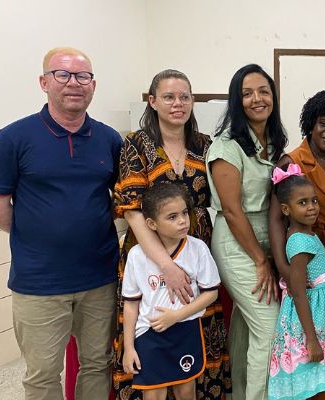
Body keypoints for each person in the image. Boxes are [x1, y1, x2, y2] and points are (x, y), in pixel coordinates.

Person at [0, 47, 122, 399]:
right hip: (39, 281)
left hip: (100, 278)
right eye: (62, 74)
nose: (73, 83)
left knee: (97, 364)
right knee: (43, 374)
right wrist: (36, 234)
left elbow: (122, 199)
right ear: (44, 82)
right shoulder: (13, 138)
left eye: (82, 76)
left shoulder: (109, 139)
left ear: (93, 84)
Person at [112, 69, 229, 398]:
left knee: (195, 326)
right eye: (168, 97)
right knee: (150, 325)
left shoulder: (205, 144)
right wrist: (167, 265)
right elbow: (132, 210)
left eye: (184, 97)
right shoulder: (136, 144)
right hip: (148, 251)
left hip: (196, 248)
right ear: (152, 101)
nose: (178, 103)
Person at [207, 64, 288, 400]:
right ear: (236, 101)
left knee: (245, 328)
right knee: (269, 329)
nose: (258, 99)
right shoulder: (226, 147)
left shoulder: (273, 141)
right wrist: (260, 260)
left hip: (266, 238)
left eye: (264, 91)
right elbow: (232, 210)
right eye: (247, 93)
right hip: (237, 243)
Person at [269, 89, 325, 385]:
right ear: (311, 123)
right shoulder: (292, 161)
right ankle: (307, 388)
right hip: (309, 259)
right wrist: (282, 266)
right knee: (310, 332)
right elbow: (276, 218)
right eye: (323, 123)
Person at [122, 183, 220, 400]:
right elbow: (131, 303)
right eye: (172, 217)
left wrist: (176, 316)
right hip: (149, 333)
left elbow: (211, 293)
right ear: (151, 223)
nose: (183, 220)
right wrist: (128, 347)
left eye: (184, 213)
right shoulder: (137, 255)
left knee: (186, 391)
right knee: (153, 393)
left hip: (186, 330)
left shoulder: (198, 248)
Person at [268, 165, 325, 400]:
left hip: (319, 316)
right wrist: (312, 340)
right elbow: (298, 292)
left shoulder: (307, 235)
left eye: (314, 200)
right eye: (302, 203)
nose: (312, 206)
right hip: (311, 322)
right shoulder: (299, 242)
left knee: (320, 381)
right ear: (286, 209)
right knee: (316, 384)